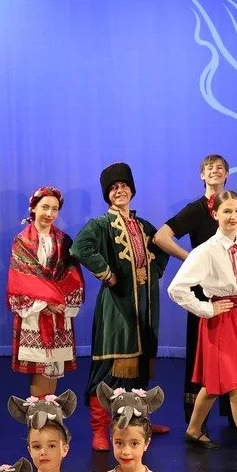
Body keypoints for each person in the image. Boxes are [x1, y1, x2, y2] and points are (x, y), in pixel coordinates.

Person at [168, 191, 237, 447]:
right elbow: (177, 288)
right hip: (221, 320)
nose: (233, 216)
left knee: (216, 383)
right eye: (227, 211)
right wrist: (207, 309)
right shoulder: (205, 251)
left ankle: (193, 429)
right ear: (215, 214)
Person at [72, 164, 168, 449]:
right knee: (110, 366)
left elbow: (161, 247)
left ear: (132, 190)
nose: (119, 191)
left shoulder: (144, 226)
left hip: (145, 304)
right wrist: (107, 273)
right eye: (113, 188)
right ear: (107, 195)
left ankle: (139, 422)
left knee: (139, 367)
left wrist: (153, 273)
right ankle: (100, 429)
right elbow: (79, 248)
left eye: (124, 186)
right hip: (117, 305)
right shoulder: (101, 224)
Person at [153, 153, 231, 419]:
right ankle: (197, 420)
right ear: (202, 175)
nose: (215, 171)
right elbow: (161, 237)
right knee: (201, 351)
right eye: (209, 168)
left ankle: (235, 416)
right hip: (202, 292)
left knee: (231, 352)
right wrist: (192, 259)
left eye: (220, 168)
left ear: (227, 175)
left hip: (231, 291)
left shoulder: (232, 206)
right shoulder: (196, 209)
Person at [7, 186, 85, 399]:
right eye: (45, 207)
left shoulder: (63, 240)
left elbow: (72, 274)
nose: (49, 214)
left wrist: (61, 301)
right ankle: (38, 422)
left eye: (54, 209)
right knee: (40, 370)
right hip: (36, 312)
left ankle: (50, 417)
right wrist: (46, 302)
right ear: (33, 208)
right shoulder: (22, 241)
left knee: (53, 370)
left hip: (58, 311)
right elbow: (21, 279)